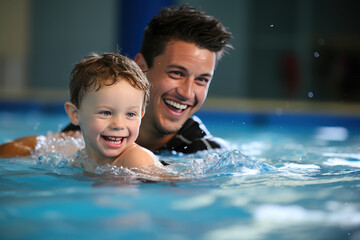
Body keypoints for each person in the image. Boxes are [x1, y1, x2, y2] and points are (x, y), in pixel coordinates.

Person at [0, 5, 233, 158]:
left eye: (202, 80)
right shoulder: (96, 127)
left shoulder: (204, 152)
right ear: (141, 66)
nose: (187, 92)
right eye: (176, 73)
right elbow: (29, 148)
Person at [64, 52, 162, 171]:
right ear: (75, 114)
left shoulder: (137, 160)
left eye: (130, 114)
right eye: (106, 113)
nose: (119, 125)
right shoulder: (82, 159)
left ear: (141, 115)